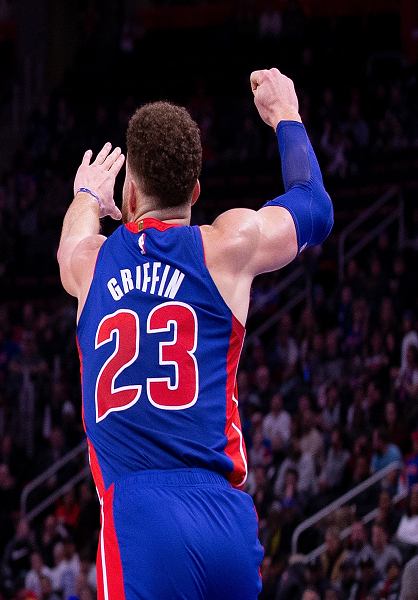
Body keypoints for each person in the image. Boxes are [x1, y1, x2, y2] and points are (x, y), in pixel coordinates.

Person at [57, 68, 332, 599]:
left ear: (129, 195)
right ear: (196, 191)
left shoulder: (92, 263)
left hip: (140, 514)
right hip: (225, 516)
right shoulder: (227, 246)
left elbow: (71, 243)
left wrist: (89, 196)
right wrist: (286, 114)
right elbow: (315, 205)